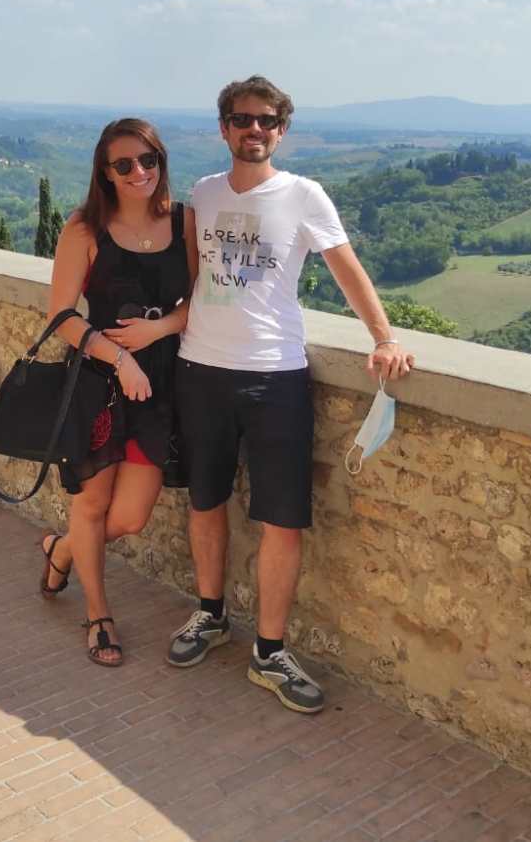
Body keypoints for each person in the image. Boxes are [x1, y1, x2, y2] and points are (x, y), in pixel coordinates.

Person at [166, 76, 415, 712]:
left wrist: (384, 337)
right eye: (243, 119)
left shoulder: (304, 196)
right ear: (223, 128)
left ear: (282, 130)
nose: (255, 130)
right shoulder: (201, 194)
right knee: (205, 501)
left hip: (274, 374)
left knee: (283, 517)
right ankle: (210, 615)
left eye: (267, 121)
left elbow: (347, 270)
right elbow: (192, 281)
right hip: (199, 368)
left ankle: (269, 652)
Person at [35, 118, 192, 666]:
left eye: (148, 160)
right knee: (94, 504)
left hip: (160, 387)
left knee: (128, 518)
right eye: (124, 164)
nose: (138, 172)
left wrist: (157, 330)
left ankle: (60, 548)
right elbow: (61, 316)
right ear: (105, 172)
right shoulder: (84, 229)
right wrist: (121, 356)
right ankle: (98, 615)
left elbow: (201, 304)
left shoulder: (184, 223)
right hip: (100, 383)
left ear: (161, 162)